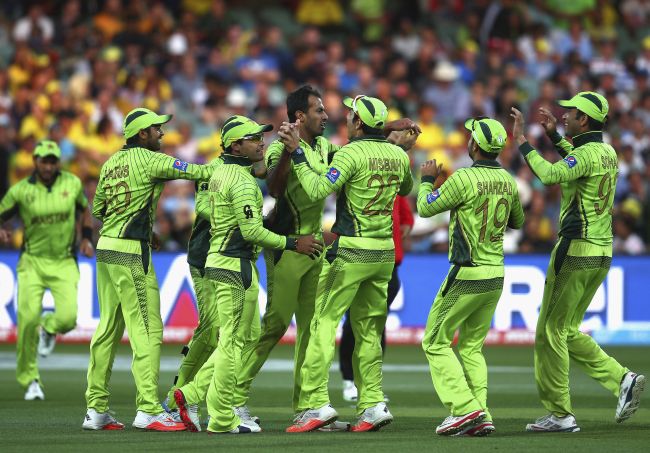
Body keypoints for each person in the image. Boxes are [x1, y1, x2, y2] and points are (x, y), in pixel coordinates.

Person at [230, 85, 419, 429]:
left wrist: (390, 124)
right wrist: (290, 152)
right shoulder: (280, 148)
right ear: (300, 116)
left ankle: (308, 407)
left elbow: (365, 144)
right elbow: (273, 187)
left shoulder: (327, 147)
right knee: (274, 327)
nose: (327, 116)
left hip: (317, 248)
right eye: (319, 111)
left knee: (310, 330)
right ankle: (233, 400)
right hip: (288, 247)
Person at [173, 115, 322, 434]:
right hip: (234, 264)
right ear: (236, 145)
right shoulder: (241, 181)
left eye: (260, 136)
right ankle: (223, 417)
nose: (261, 142)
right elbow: (252, 231)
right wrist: (294, 242)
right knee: (232, 343)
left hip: (224, 261)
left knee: (245, 337)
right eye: (254, 138)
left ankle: (192, 393)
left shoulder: (221, 173)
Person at [510, 92, 645, 433]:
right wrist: (555, 136)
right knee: (567, 329)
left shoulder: (585, 154)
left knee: (550, 330)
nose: (565, 115)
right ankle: (622, 379)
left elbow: (550, 175)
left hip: (575, 250)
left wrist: (524, 143)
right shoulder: (607, 152)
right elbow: (576, 159)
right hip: (602, 251)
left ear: (584, 120)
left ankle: (560, 414)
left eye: (571, 112)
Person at [282, 95, 416, 433]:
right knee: (368, 331)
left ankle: (315, 403)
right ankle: (372, 404)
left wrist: (298, 152)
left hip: (351, 250)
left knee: (323, 324)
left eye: (350, 115)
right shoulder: (399, 156)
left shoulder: (349, 153)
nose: (344, 119)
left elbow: (315, 190)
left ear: (357, 123)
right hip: (384, 253)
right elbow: (406, 186)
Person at [83, 108, 215, 432]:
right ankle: (147, 409)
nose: (162, 134)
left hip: (107, 249)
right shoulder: (151, 160)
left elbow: (99, 208)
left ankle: (95, 409)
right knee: (148, 331)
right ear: (142, 135)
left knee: (107, 332)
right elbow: (198, 172)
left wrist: (144, 228)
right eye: (157, 129)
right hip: (130, 254)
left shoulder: (111, 163)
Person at [417, 117, 524, 436]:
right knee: (472, 347)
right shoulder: (508, 180)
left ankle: (465, 409)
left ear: (474, 145)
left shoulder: (463, 178)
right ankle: (482, 413)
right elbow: (517, 220)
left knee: (434, 341)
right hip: (496, 273)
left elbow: (425, 208)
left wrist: (427, 180)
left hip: (467, 272)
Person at [0, 140, 93, 401]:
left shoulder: (72, 183)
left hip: (64, 260)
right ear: (35, 161)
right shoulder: (21, 191)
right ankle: (30, 379)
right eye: (44, 160)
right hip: (32, 262)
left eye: (53, 161)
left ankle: (50, 328)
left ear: (58, 162)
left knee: (68, 319)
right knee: (28, 320)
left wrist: (86, 238)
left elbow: (84, 211)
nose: (49, 166)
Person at [339, 194, 413, 402]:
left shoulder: (394, 188)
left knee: (376, 325)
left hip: (387, 266)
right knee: (354, 323)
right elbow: (406, 222)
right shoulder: (377, 181)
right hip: (359, 259)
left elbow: (407, 220)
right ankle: (350, 380)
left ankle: (370, 385)